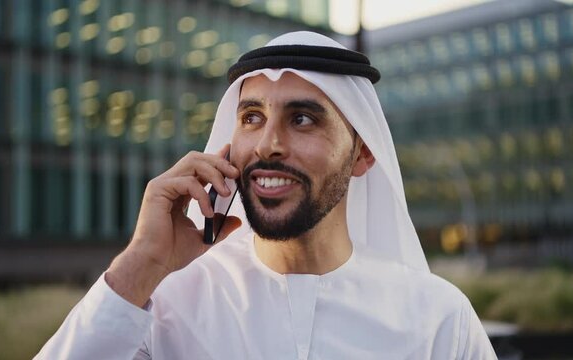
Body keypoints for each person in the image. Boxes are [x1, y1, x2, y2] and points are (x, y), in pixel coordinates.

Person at [36, 31, 497, 359]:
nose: (267, 144)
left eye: (302, 119)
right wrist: (141, 264)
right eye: (252, 117)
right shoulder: (165, 307)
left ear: (362, 155)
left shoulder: (439, 320)